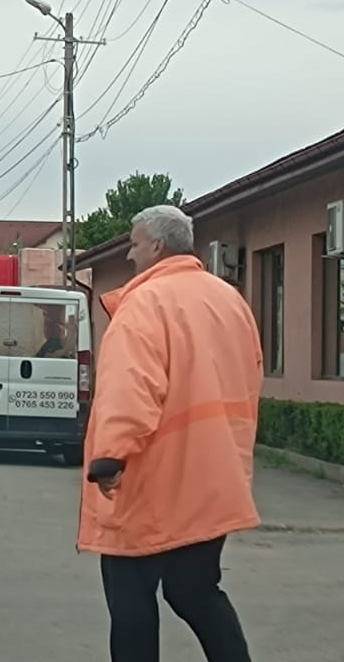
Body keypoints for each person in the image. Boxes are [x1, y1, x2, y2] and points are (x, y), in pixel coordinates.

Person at [78, 205, 263, 662]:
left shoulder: (145, 303)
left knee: (131, 596)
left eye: (134, 244)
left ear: (157, 246)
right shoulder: (229, 301)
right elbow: (250, 379)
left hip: (152, 478)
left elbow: (130, 386)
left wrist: (110, 456)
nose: (129, 255)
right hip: (214, 475)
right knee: (195, 589)